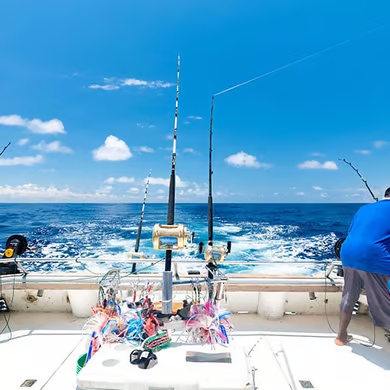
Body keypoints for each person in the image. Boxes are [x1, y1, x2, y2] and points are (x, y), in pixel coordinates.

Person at [336, 187, 390, 346]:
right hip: (373, 256)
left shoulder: (363, 208)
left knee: (349, 295)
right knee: (385, 296)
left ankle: (341, 336)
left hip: (348, 253)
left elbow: (353, 232)